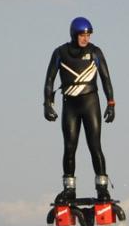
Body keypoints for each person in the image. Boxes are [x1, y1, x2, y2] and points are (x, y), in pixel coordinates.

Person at [43, 16, 116, 200]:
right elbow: (49, 79)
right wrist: (47, 104)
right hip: (71, 106)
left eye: (88, 35)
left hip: (90, 103)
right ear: (74, 35)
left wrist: (111, 103)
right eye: (82, 35)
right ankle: (69, 189)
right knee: (69, 147)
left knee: (95, 146)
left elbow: (106, 78)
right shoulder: (60, 52)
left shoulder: (95, 52)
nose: (86, 39)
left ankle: (102, 188)